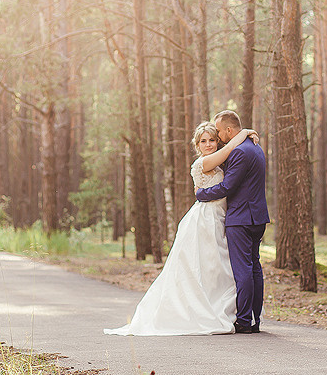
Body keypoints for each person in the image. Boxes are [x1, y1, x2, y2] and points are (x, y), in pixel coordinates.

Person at [105, 121, 259, 336]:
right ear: (197, 145)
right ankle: (203, 311)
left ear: (217, 140)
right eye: (203, 141)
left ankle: (221, 308)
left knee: (218, 267)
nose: (208, 144)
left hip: (222, 217)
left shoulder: (221, 164)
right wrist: (244, 132)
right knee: (207, 264)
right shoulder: (203, 162)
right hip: (205, 219)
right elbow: (229, 149)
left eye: (212, 140)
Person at [194, 110, 270, 334]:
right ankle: (255, 318)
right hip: (258, 217)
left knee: (243, 270)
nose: (216, 138)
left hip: (241, 219)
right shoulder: (256, 148)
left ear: (228, 130)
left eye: (217, 132)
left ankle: (244, 321)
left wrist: (200, 194)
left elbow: (227, 187)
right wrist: (247, 133)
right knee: (255, 268)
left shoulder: (238, 152)